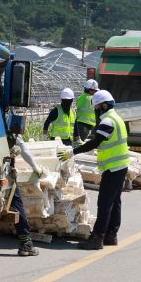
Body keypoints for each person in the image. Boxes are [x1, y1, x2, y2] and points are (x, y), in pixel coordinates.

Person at [57, 90, 129, 250]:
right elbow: (101, 140)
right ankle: (112, 235)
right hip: (121, 166)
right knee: (115, 202)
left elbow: (96, 142)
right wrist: (83, 144)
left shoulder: (108, 121)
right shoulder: (116, 118)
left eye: (96, 107)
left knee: (104, 203)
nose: (95, 110)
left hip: (113, 168)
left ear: (103, 105)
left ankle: (97, 238)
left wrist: (73, 151)